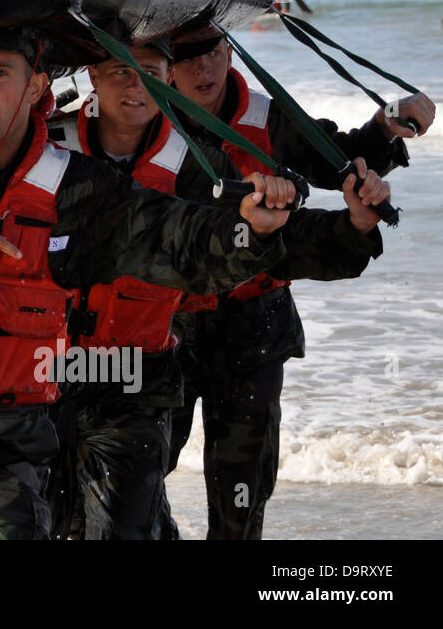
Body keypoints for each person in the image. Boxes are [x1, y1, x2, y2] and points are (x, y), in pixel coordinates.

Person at [0, 30, 305, 540]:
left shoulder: (76, 185)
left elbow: (171, 238)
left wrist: (251, 231)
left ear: (37, 84)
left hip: (6, 435)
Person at [46, 40, 389, 539]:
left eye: (149, 72)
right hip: (112, 347)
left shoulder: (209, 156)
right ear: (93, 78)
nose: (201, 68)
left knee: (237, 493)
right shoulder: (47, 145)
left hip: (240, 330)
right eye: (122, 71)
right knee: (94, 507)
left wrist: (353, 225)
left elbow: (309, 195)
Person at [163, 35, 433, 538]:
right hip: (166, 326)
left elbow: (343, 160)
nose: (204, 69)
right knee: (136, 477)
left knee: (240, 496)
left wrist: (385, 126)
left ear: (229, 53)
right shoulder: (140, 116)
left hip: (253, 328)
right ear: (165, 67)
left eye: (214, 54)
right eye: (187, 59)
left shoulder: (268, 117)